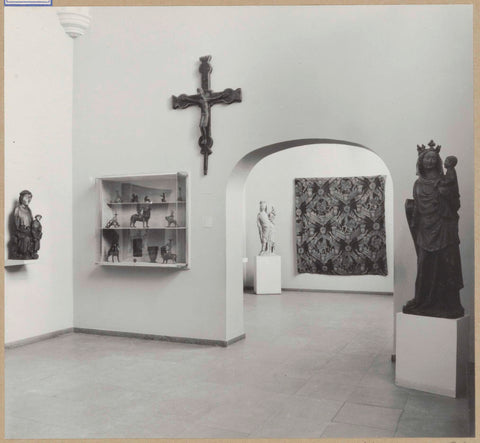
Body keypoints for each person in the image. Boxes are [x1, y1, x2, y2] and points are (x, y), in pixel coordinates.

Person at [403, 143, 464, 318]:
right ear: (421, 162)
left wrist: (450, 180)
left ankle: (448, 304)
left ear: (437, 161)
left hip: (444, 228)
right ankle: (423, 301)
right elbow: (416, 209)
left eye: (433, 158)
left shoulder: (446, 180)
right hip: (425, 230)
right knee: (424, 265)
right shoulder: (417, 184)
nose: (429, 161)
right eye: (426, 158)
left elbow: (455, 203)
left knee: (446, 265)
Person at [12, 190, 34, 259]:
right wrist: (21, 230)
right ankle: (23, 253)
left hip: (29, 231)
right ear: (22, 198)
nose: (29, 200)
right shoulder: (17, 209)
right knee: (25, 239)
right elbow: (16, 224)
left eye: (30, 198)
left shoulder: (29, 210)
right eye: (27, 197)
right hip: (21, 231)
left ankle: (29, 252)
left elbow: (31, 221)